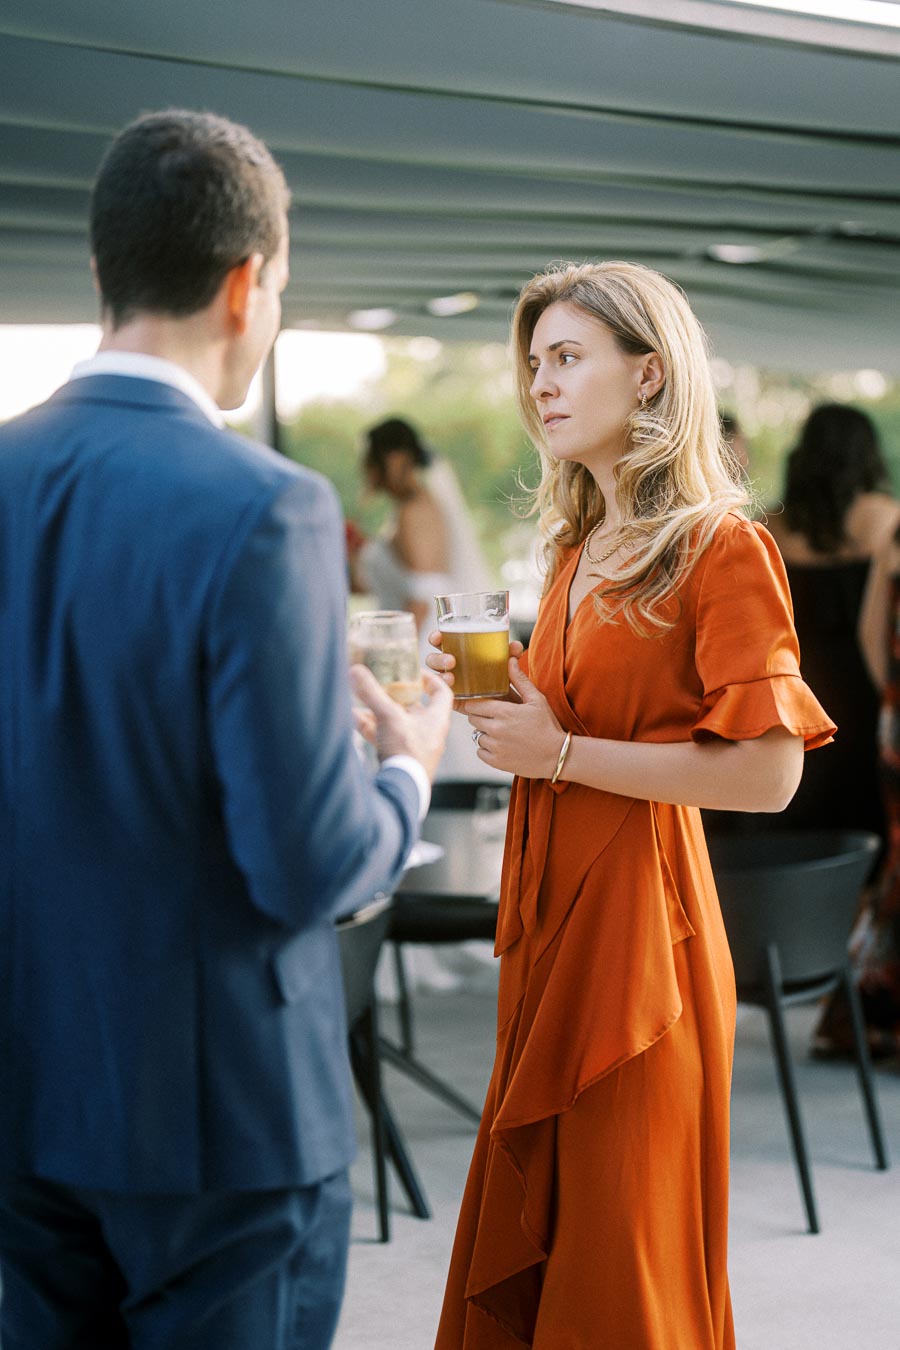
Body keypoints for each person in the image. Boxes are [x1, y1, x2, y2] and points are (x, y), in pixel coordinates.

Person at [0, 109, 452, 1350]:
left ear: (103, 273)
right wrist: (404, 777)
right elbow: (305, 861)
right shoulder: (266, 509)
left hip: (25, 1095)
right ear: (248, 283)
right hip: (220, 1122)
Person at [427, 260, 834, 1350]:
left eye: (568, 358)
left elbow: (769, 772)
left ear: (649, 374)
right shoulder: (572, 550)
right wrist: (514, 697)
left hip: (642, 935)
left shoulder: (720, 544)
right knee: (556, 1228)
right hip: (550, 919)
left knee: (623, 1243)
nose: (540, 386)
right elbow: (595, 724)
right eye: (534, 365)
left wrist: (559, 749)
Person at [763, 403, 899, 838]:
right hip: (862, 688)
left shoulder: (770, 524)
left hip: (792, 689)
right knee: (863, 822)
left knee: (798, 818)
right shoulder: (886, 516)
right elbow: (874, 629)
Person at [352, 415, 507, 783]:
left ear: (390, 459)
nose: (366, 470)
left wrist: (396, 667)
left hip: (420, 643)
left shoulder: (416, 510)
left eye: (370, 459)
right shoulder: (407, 509)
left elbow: (423, 597)